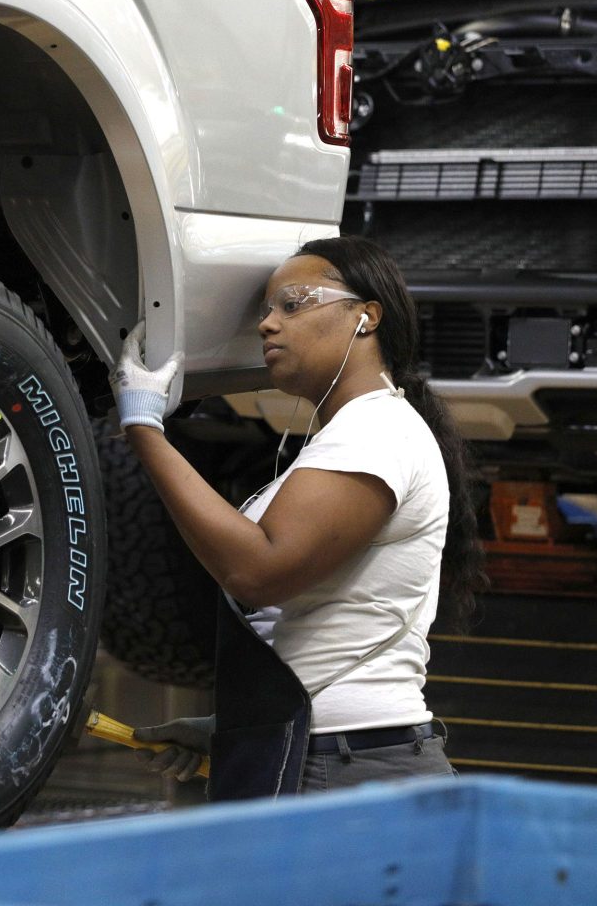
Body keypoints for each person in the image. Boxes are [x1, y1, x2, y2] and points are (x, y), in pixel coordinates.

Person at [110, 235, 486, 796]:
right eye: (265, 310)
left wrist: (144, 428)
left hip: (347, 762)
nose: (268, 324)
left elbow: (259, 571)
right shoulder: (355, 434)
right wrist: (237, 728)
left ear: (366, 317)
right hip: (329, 750)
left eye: (293, 304)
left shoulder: (377, 431)